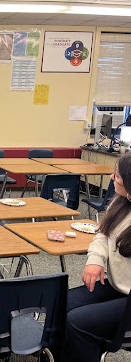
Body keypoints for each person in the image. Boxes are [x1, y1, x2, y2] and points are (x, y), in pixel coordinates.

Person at [58, 154, 131, 362]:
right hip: (119, 288)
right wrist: (95, 260)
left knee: (76, 322)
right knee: (61, 304)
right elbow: (103, 233)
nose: (111, 178)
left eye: (116, 176)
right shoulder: (122, 201)